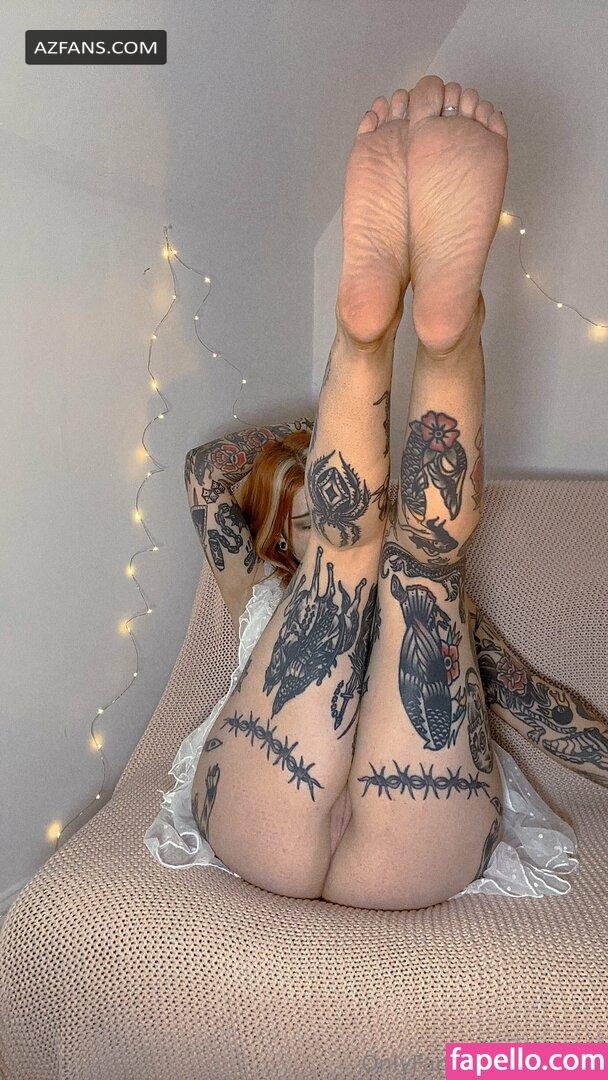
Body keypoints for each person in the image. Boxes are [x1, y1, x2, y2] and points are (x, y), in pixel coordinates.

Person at [145, 76, 607, 909]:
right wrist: (337, 455)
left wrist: (327, 453)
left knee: (356, 553)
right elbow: (548, 717)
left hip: (259, 800)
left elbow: (209, 468)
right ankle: (448, 332)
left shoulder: (252, 586)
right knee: (424, 568)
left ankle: (367, 338)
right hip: (418, 824)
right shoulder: (288, 589)